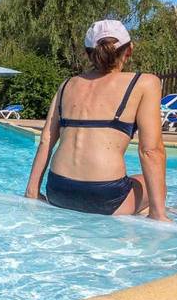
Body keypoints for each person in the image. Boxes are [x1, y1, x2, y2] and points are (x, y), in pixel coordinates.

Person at [25, 20, 169, 221]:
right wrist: (158, 214)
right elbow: (150, 151)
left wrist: (32, 192)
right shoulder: (144, 83)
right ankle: (150, 212)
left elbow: (46, 140)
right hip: (105, 198)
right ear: (129, 50)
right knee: (155, 185)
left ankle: (140, 211)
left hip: (58, 191)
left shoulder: (67, 85)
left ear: (88, 53)